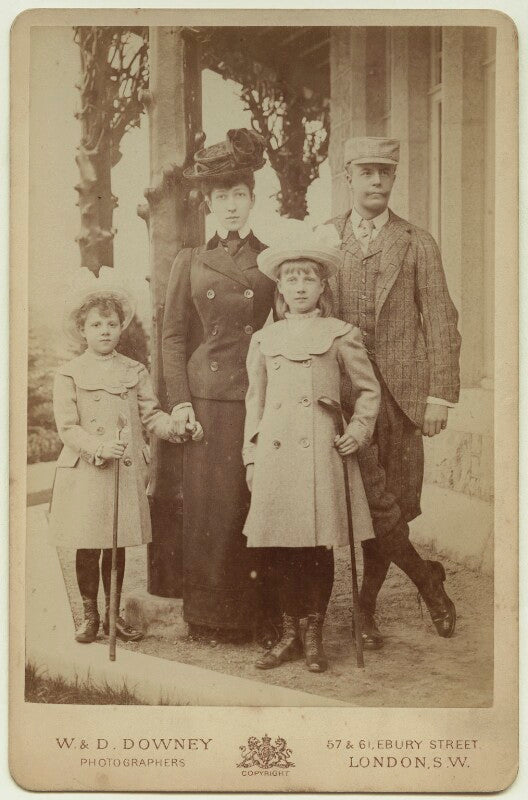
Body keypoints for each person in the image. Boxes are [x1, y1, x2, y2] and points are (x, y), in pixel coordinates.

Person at [321, 136, 462, 649]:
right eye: (366, 171)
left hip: (402, 402)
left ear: (394, 178)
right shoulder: (325, 239)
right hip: (344, 399)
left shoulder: (416, 240)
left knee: (394, 507)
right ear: (349, 177)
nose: (376, 180)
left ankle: (365, 608)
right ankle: (426, 583)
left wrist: (439, 396)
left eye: (385, 172)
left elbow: (441, 317)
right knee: (366, 505)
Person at [242, 234, 381, 672]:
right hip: (276, 456)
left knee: (319, 547)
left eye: (308, 278)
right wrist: (250, 455)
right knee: (281, 547)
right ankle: (291, 636)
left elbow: (367, 391)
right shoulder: (264, 340)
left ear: (322, 287)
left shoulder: (340, 334)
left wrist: (356, 433)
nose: (299, 286)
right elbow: (255, 402)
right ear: (279, 288)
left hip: (322, 452)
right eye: (290, 279)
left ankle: (315, 635)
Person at [162, 128, 278, 645]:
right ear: (208, 204)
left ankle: (257, 616)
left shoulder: (273, 260)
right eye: (221, 198)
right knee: (209, 508)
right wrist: (180, 403)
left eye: (239, 196)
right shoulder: (189, 260)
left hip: (255, 397)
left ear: (253, 199)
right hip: (206, 400)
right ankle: (206, 616)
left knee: (251, 503)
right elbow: (172, 336)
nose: (231, 207)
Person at [48, 270, 183, 644]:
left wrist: (174, 426)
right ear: (83, 329)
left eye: (111, 323)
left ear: (121, 327)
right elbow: (67, 427)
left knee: (116, 545)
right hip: (87, 470)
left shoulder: (133, 370)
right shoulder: (69, 373)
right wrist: (97, 446)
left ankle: (113, 616)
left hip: (123, 471)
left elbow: (151, 414)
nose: (105, 330)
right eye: (96, 324)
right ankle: (90, 616)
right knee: (88, 543)